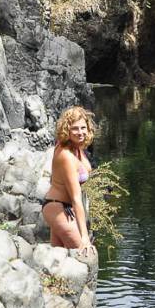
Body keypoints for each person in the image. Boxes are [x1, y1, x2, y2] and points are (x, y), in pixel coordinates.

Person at [41, 106, 96, 254]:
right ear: (67, 130)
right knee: (83, 252)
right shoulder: (66, 155)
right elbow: (76, 198)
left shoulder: (77, 149)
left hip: (67, 209)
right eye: (75, 129)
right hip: (57, 208)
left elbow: (85, 171)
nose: (80, 132)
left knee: (57, 262)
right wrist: (84, 237)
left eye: (83, 128)